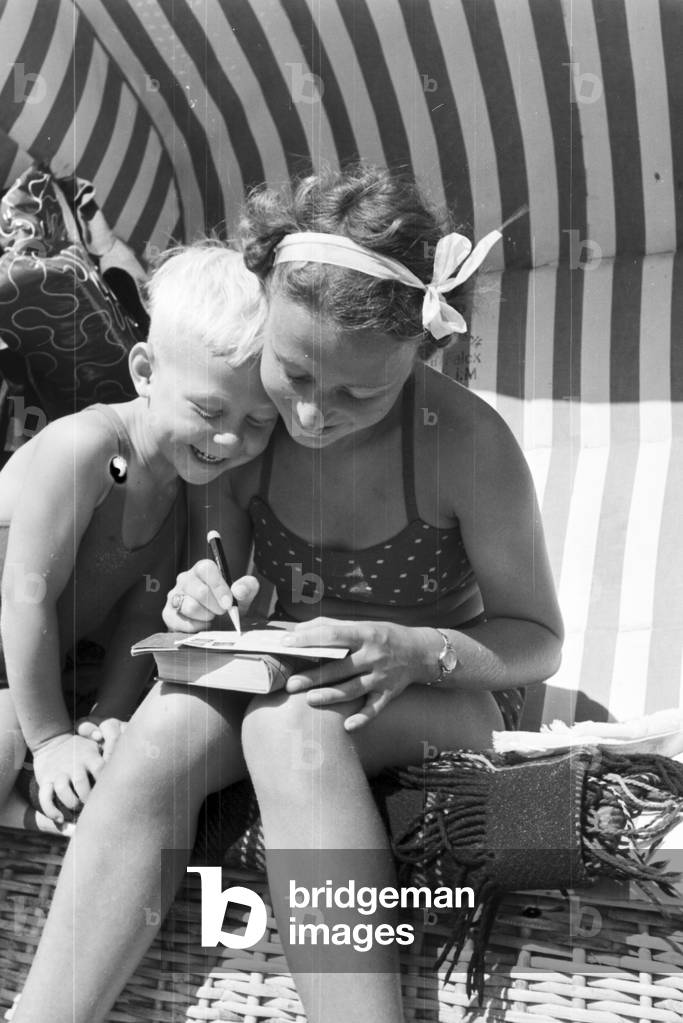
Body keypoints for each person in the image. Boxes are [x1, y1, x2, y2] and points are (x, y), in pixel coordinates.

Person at [12, 166, 563, 1023]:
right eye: (293, 374)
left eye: (357, 393)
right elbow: (231, 581)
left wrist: (412, 649)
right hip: (284, 666)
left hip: (446, 686)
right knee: (162, 729)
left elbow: (536, 636)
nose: (310, 415)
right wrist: (204, 597)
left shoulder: (464, 446)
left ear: (420, 352)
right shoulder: (249, 430)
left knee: (293, 727)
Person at [0, 243, 276, 834]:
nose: (230, 439)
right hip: (15, 656)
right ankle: (21, 806)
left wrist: (107, 719)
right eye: (210, 411)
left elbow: (141, 615)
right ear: (146, 373)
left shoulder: (185, 485)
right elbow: (25, 598)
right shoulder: (89, 450)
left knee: (117, 763)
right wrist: (51, 741)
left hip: (33, 672)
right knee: (7, 744)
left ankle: (27, 802)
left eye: (258, 421)